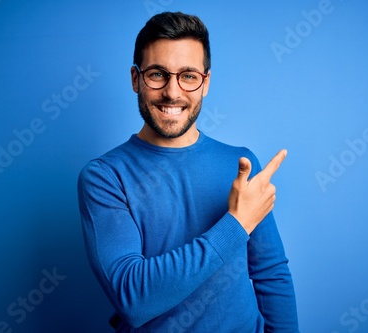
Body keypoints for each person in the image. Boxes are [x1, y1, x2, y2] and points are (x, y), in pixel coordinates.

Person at [78, 11, 299, 332]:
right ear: (135, 79)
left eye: (188, 75)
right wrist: (237, 224)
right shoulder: (104, 177)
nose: (173, 91)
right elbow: (134, 297)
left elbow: (271, 273)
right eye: (157, 74)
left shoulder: (241, 164)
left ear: (205, 82)